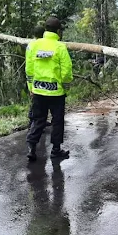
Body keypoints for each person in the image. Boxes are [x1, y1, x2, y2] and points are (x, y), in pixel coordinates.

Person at [25, 17, 73, 161]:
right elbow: (66, 71)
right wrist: (65, 85)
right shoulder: (60, 47)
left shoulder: (34, 45)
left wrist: (31, 87)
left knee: (38, 119)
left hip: (38, 90)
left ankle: (32, 148)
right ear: (58, 31)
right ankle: (56, 150)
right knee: (57, 121)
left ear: (45, 29)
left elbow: (29, 69)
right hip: (56, 92)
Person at [27, 25, 50, 129]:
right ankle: (33, 123)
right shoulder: (45, 45)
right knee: (40, 104)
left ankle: (36, 122)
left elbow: (29, 65)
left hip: (34, 76)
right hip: (43, 77)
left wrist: (30, 85)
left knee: (38, 102)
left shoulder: (31, 45)